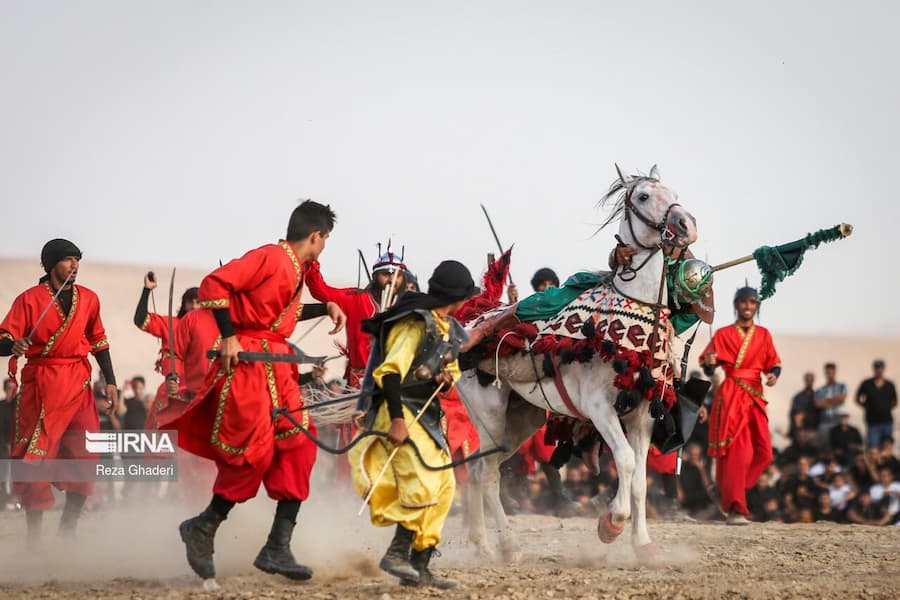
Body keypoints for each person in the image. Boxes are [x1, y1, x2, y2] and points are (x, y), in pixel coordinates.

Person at [167, 200, 346, 584]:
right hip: (248, 367)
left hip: (278, 366)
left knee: (300, 443)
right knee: (251, 452)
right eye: (325, 239)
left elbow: (280, 314)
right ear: (316, 236)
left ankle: (277, 547)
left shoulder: (295, 269)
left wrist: (326, 304)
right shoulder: (270, 256)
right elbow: (216, 284)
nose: (324, 247)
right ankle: (203, 526)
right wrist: (229, 336)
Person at [349, 260, 478, 589]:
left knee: (445, 488)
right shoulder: (414, 323)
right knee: (422, 481)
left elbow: (446, 372)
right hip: (401, 410)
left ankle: (420, 564)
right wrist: (395, 420)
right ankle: (396, 553)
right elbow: (390, 372)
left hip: (426, 412)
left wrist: (445, 379)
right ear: (458, 297)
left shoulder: (446, 326)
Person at [0, 239, 118, 539]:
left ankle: (69, 526)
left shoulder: (90, 299)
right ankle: (34, 537)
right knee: (35, 458)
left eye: (77, 260)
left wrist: (112, 382)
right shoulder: (29, 300)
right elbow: (3, 337)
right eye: (68, 260)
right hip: (41, 386)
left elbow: (99, 342)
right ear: (52, 264)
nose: (74, 266)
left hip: (78, 384)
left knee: (86, 455)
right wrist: (12, 344)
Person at [700, 285, 781, 525]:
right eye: (744, 302)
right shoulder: (723, 334)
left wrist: (774, 375)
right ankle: (736, 508)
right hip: (732, 394)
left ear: (757, 307)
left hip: (755, 394)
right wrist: (711, 363)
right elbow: (708, 366)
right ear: (736, 305)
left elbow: (774, 362)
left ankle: (726, 490)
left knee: (764, 452)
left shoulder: (764, 334)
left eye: (753, 302)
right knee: (738, 453)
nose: (748, 306)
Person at [134, 274, 199, 429]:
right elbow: (141, 320)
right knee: (159, 443)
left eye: (199, 303)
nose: (195, 307)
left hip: (200, 393)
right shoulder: (171, 324)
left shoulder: (213, 329)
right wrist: (146, 291)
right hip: (172, 391)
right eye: (191, 302)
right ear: (184, 304)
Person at [855, 360, 897, 449]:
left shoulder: (889, 385)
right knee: (873, 448)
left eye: (880, 368)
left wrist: (886, 407)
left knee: (887, 447)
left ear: (884, 369)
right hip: (872, 422)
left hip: (887, 421)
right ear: (874, 369)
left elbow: (895, 401)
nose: (879, 370)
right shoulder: (867, 384)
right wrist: (867, 406)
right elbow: (857, 398)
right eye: (877, 368)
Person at [814, 363, 847, 451]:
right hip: (824, 422)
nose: (830, 375)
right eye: (828, 373)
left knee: (838, 446)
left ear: (835, 373)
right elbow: (817, 404)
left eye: (832, 372)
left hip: (837, 421)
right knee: (825, 447)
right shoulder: (820, 390)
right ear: (825, 373)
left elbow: (842, 398)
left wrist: (826, 401)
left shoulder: (841, 386)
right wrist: (834, 400)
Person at [789, 372, 817, 443]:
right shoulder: (798, 397)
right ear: (805, 380)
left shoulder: (817, 396)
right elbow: (795, 415)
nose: (809, 382)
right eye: (808, 380)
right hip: (800, 431)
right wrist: (799, 430)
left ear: (813, 381)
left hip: (813, 430)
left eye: (811, 380)